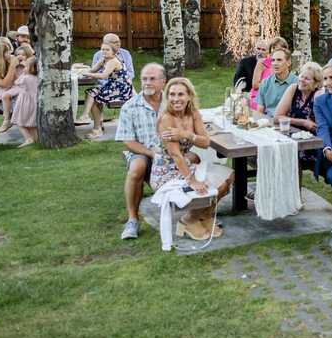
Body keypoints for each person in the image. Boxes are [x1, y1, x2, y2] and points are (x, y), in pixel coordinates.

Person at [153, 78, 233, 240]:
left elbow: (206, 142)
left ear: (189, 96)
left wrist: (186, 134)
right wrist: (192, 181)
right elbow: (175, 154)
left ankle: (203, 216)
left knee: (229, 177)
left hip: (185, 163)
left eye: (181, 94)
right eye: (172, 94)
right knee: (206, 186)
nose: (176, 99)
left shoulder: (193, 114)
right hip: (167, 170)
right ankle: (188, 220)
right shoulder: (167, 118)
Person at [114, 63, 167, 240]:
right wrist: (152, 153)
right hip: (142, 150)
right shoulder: (130, 106)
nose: (147, 83)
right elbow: (127, 140)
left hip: (172, 149)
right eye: (144, 79)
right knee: (137, 167)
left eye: (152, 79)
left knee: (197, 159)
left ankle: (201, 214)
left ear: (163, 82)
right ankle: (132, 220)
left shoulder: (174, 101)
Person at [78, 42, 134, 140]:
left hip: (121, 89)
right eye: (102, 49)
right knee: (91, 92)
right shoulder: (103, 59)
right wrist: (82, 73)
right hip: (112, 86)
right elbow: (93, 70)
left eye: (107, 50)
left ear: (113, 52)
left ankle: (95, 127)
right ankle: (88, 118)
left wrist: (89, 74)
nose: (104, 51)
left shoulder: (113, 61)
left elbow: (104, 75)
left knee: (94, 95)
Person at [0, 45, 36, 137]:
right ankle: (6, 120)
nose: (20, 56)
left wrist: (25, 64)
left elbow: (22, 80)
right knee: (5, 96)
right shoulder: (16, 65)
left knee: (8, 95)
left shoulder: (30, 65)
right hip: (18, 85)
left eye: (23, 55)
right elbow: (13, 79)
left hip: (26, 87)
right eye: (18, 54)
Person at [275, 62, 323, 132]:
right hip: (291, 131)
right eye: (301, 76)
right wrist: (302, 122)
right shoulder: (293, 88)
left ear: (316, 84)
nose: (302, 80)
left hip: (310, 137)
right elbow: (277, 117)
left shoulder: (318, 95)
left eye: (307, 79)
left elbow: (321, 125)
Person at [9, 46, 39, 147]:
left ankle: (28, 139)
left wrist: (20, 74)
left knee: (20, 123)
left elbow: (16, 82)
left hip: (25, 103)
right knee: (32, 124)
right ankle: (36, 140)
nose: (24, 68)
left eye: (25, 67)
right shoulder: (38, 78)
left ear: (31, 68)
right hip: (35, 102)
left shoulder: (25, 78)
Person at [257, 48, 298, 117]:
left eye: (279, 60)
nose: (275, 63)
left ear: (288, 62)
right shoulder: (265, 83)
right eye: (273, 60)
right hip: (268, 122)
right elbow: (260, 111)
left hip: (288, 123)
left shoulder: (297, 83)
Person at [250, 36, 288, 109]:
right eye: (273, 49)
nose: (275, 52)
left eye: (279, 49)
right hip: (259, 97)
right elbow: (255, 85)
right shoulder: (262, 62)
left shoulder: (285, 66)